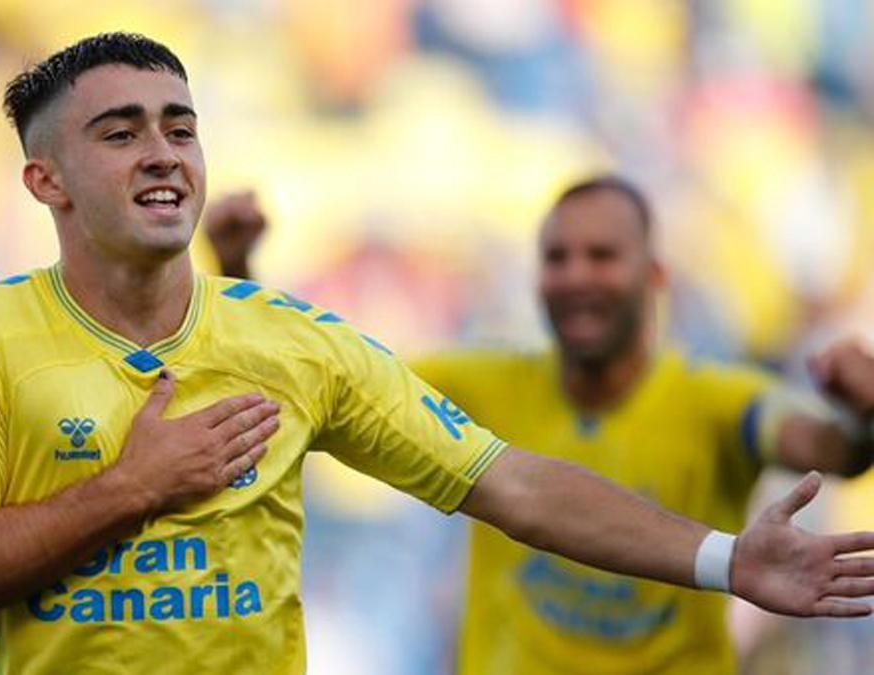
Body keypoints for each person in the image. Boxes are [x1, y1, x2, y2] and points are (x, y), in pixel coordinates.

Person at [0, 33, 874, 675]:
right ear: (45, 180)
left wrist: (724, 559)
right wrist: (134, 485)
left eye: (180, 128)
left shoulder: (294, 343)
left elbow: (510, 484)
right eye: (121, 132)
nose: (163, 152)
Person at [207, 176, 874, 673]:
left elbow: (826, 446)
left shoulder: (719, 399)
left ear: (656, 274)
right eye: (557, 257)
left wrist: (862, 411)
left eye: (602, 255)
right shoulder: (485, 381)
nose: (576, 275)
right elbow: (333, 387)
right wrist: (239, 273)